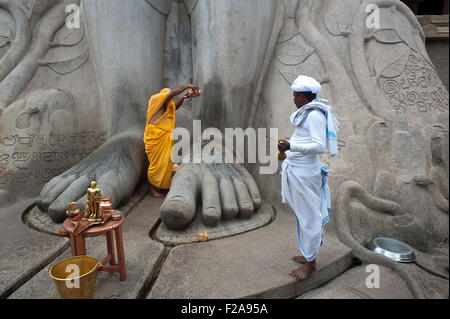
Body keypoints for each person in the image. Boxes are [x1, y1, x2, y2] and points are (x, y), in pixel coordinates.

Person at [278, 75, 339, 280]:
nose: (293, 98)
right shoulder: (307, 112)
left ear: (304, 97)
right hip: (298, 172)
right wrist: (289, 148)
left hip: (305, 174)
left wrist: (291, 146)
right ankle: (308, 254)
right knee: (304, 216)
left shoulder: (314, 115)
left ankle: (311, 265)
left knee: (309, 218)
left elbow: (319, 146)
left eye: (295, 95)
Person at [144, 84, 201, 198]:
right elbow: (173, 93)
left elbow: (175, 107)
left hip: (165, 137)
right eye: (169, 97)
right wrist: (188, 85)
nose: (171, 100)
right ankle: (152, 188)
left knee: (166, 163)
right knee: (156, 165)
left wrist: (183, 98)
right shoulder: (156, 99)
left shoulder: (167, 105)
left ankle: (163, 187)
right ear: (164, 96)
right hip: (155, 137)